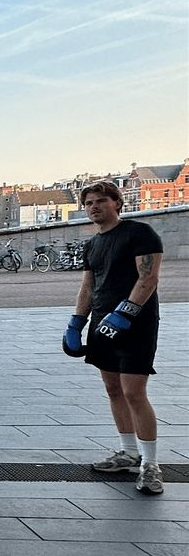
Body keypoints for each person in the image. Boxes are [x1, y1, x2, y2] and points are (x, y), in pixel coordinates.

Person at [63, 181, 164, 494]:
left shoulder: (139, 233)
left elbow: (148, 277)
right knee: (112, 389)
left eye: (102, 200)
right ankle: (129, 453)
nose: (95, 206)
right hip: (100, 322)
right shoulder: (92, 245)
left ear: (117, 203)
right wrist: (76, 323)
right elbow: (88, 286)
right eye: (89, 202)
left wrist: (125, 313)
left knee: (134, 391)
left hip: (136, 324)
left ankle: (150, 464)